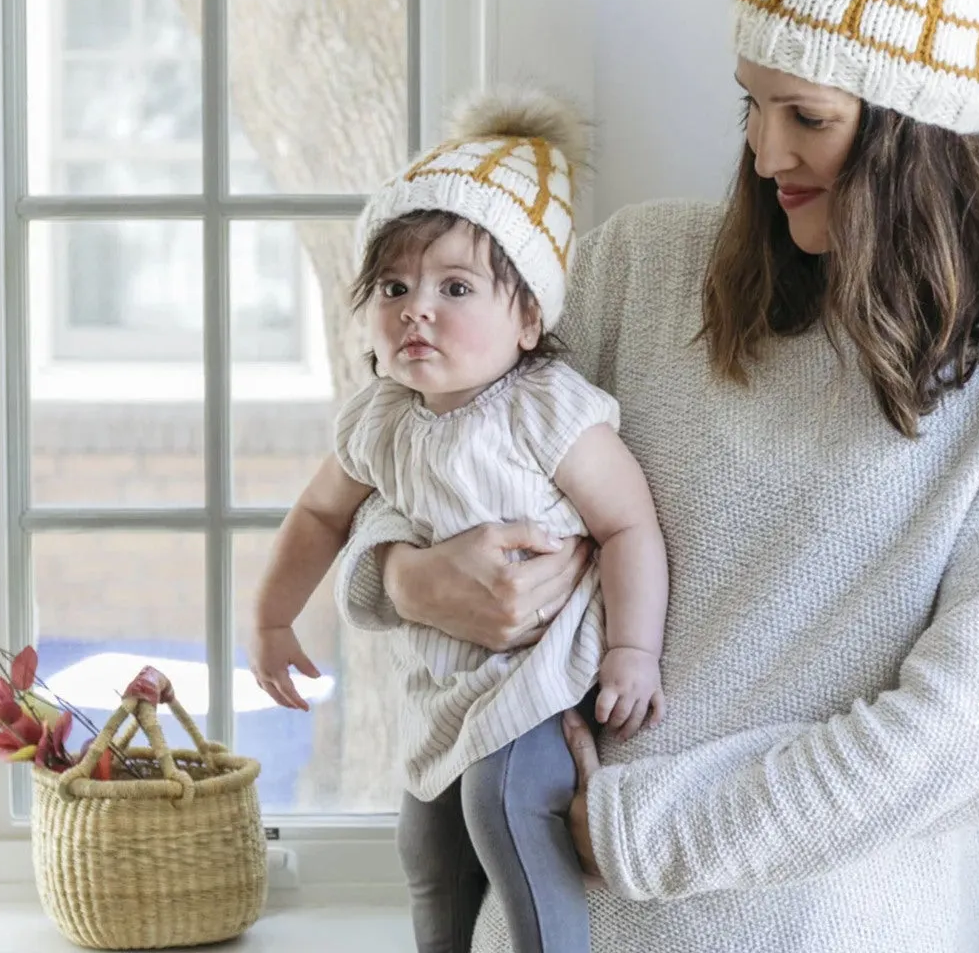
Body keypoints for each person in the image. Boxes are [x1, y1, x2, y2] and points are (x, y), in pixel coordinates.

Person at [336, 0, 979, 953]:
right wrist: (405, 577)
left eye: (809, 116)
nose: (767, 153)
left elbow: (963, 734)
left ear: (914, 133)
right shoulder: (638, 268)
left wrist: (619, 826)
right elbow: (415, 447)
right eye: (748, 106)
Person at [249, 91, 669, 953]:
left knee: (506, 802)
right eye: (394, 287)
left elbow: (630, 527)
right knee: (426, 841)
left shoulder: (548, 410)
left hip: (544, 679)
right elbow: (321, 514)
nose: (417, 310)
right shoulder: (381, 418)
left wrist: (634, 650)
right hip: (444, 691)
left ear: (527, 319)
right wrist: (271, 615)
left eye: (455, 287)